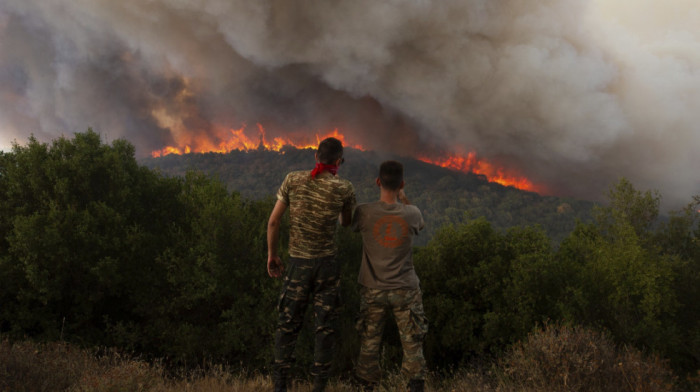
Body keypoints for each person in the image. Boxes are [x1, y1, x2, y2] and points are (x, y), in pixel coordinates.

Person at [267, 137, 356, 392]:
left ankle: (280, 386)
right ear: (338, 161)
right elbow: (346, 222)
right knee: (324, 329)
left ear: (316, 157)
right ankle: (319, 387)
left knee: (287, 326)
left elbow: (273, 222)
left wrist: (272, 255)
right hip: (327, 267)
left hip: (297, 265)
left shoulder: (292, 179)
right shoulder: (344, 188)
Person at [352, 160, 428, 392]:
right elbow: (420, 225)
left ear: (377, 182)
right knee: (412, 343)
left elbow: (347, 223)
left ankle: (367, 386)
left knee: (369, 342)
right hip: (405, 289)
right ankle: (415, 386)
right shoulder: (412, 213)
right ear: (402, 183)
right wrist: (403, 198)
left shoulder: (364, 212)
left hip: (373, 289)